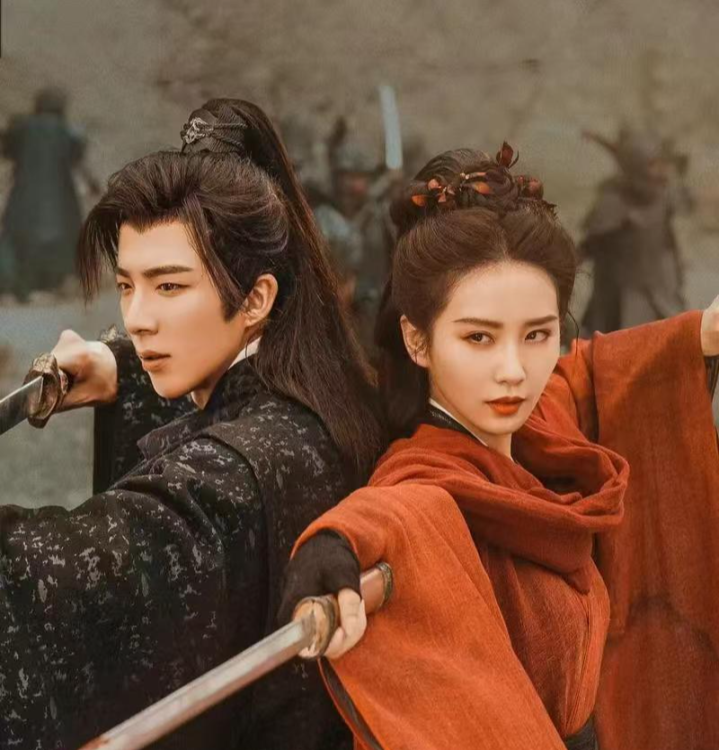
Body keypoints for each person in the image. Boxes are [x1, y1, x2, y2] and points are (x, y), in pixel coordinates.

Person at [279, 144, 719, 750]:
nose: (514, 371)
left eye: (536, 335)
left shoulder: (538, 426)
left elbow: (584, 377)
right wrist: (335, 544)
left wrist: (702, 334)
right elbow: (397, 510)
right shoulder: (426, 481)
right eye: (479, 338)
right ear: (417, 340)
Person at [0, 98, 384, 750]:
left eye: (170, 287)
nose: (138, 319)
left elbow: (68, 574)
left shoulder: (235, 474)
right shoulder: (318, 391)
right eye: (127, 286)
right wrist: (125, 371)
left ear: (257, 298)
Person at [580, 126, 691, 335]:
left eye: (661, 164)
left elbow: (668, 243)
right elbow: (587, 248)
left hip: (658, 291)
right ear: (635, 170)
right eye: (653, 165)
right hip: (619, 298)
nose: (661, 172)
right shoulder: (613, 204)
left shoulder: (663, 197)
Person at [0, 86, 100, 301]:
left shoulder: (22, 127)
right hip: (60, 202)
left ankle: (16, 287)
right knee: (63, 243)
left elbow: (6, 149)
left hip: (23, 198)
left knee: (16, 240)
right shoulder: (68, 131)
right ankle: (53, 285)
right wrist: (93, 184)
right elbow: (79, 161)